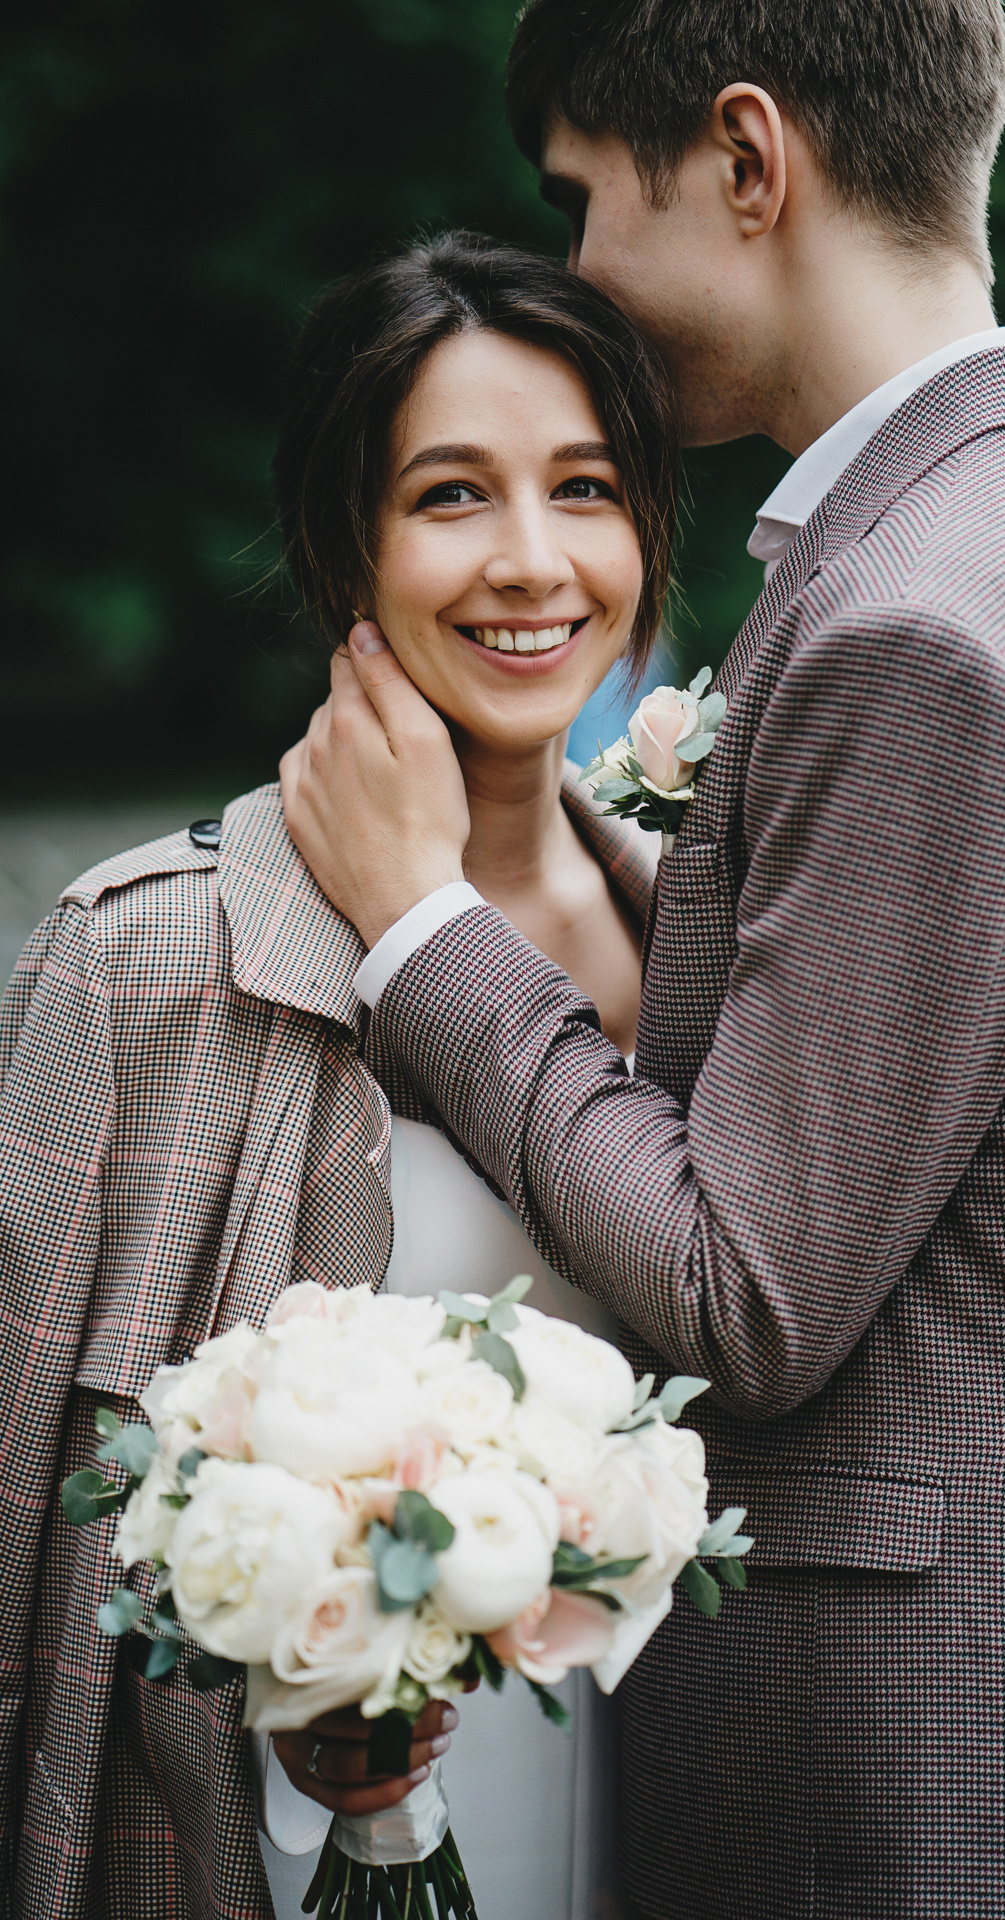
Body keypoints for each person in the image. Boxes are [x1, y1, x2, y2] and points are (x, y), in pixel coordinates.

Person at [279, 3, 1005, 1918]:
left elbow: (744, 1290)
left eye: (583, 198)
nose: (575, 269)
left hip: (934, 1778)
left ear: (748, 160)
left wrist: (422, 923)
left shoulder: (925, 621)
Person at [0, 231, 677, 1917]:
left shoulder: (720, 944)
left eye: (585, 486)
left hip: (684, 1807)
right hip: (271, 1841)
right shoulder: (143, 958)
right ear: (341, 545)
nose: (534, 562)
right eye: (452, 496)